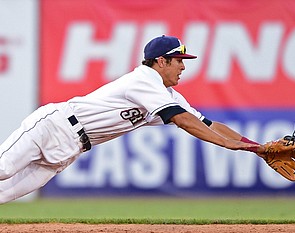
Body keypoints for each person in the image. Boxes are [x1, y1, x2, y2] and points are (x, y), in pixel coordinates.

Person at [0, 35, 264, 204]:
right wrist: (229, 145)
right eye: (178, 60)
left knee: (5, 194)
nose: (183, 66)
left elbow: (208, 125)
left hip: (72, 148)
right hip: (53, 126)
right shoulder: (144, 80)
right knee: (3, 170)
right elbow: (183, 121)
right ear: (160, 61)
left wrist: (256, 147)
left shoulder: (169, 95)